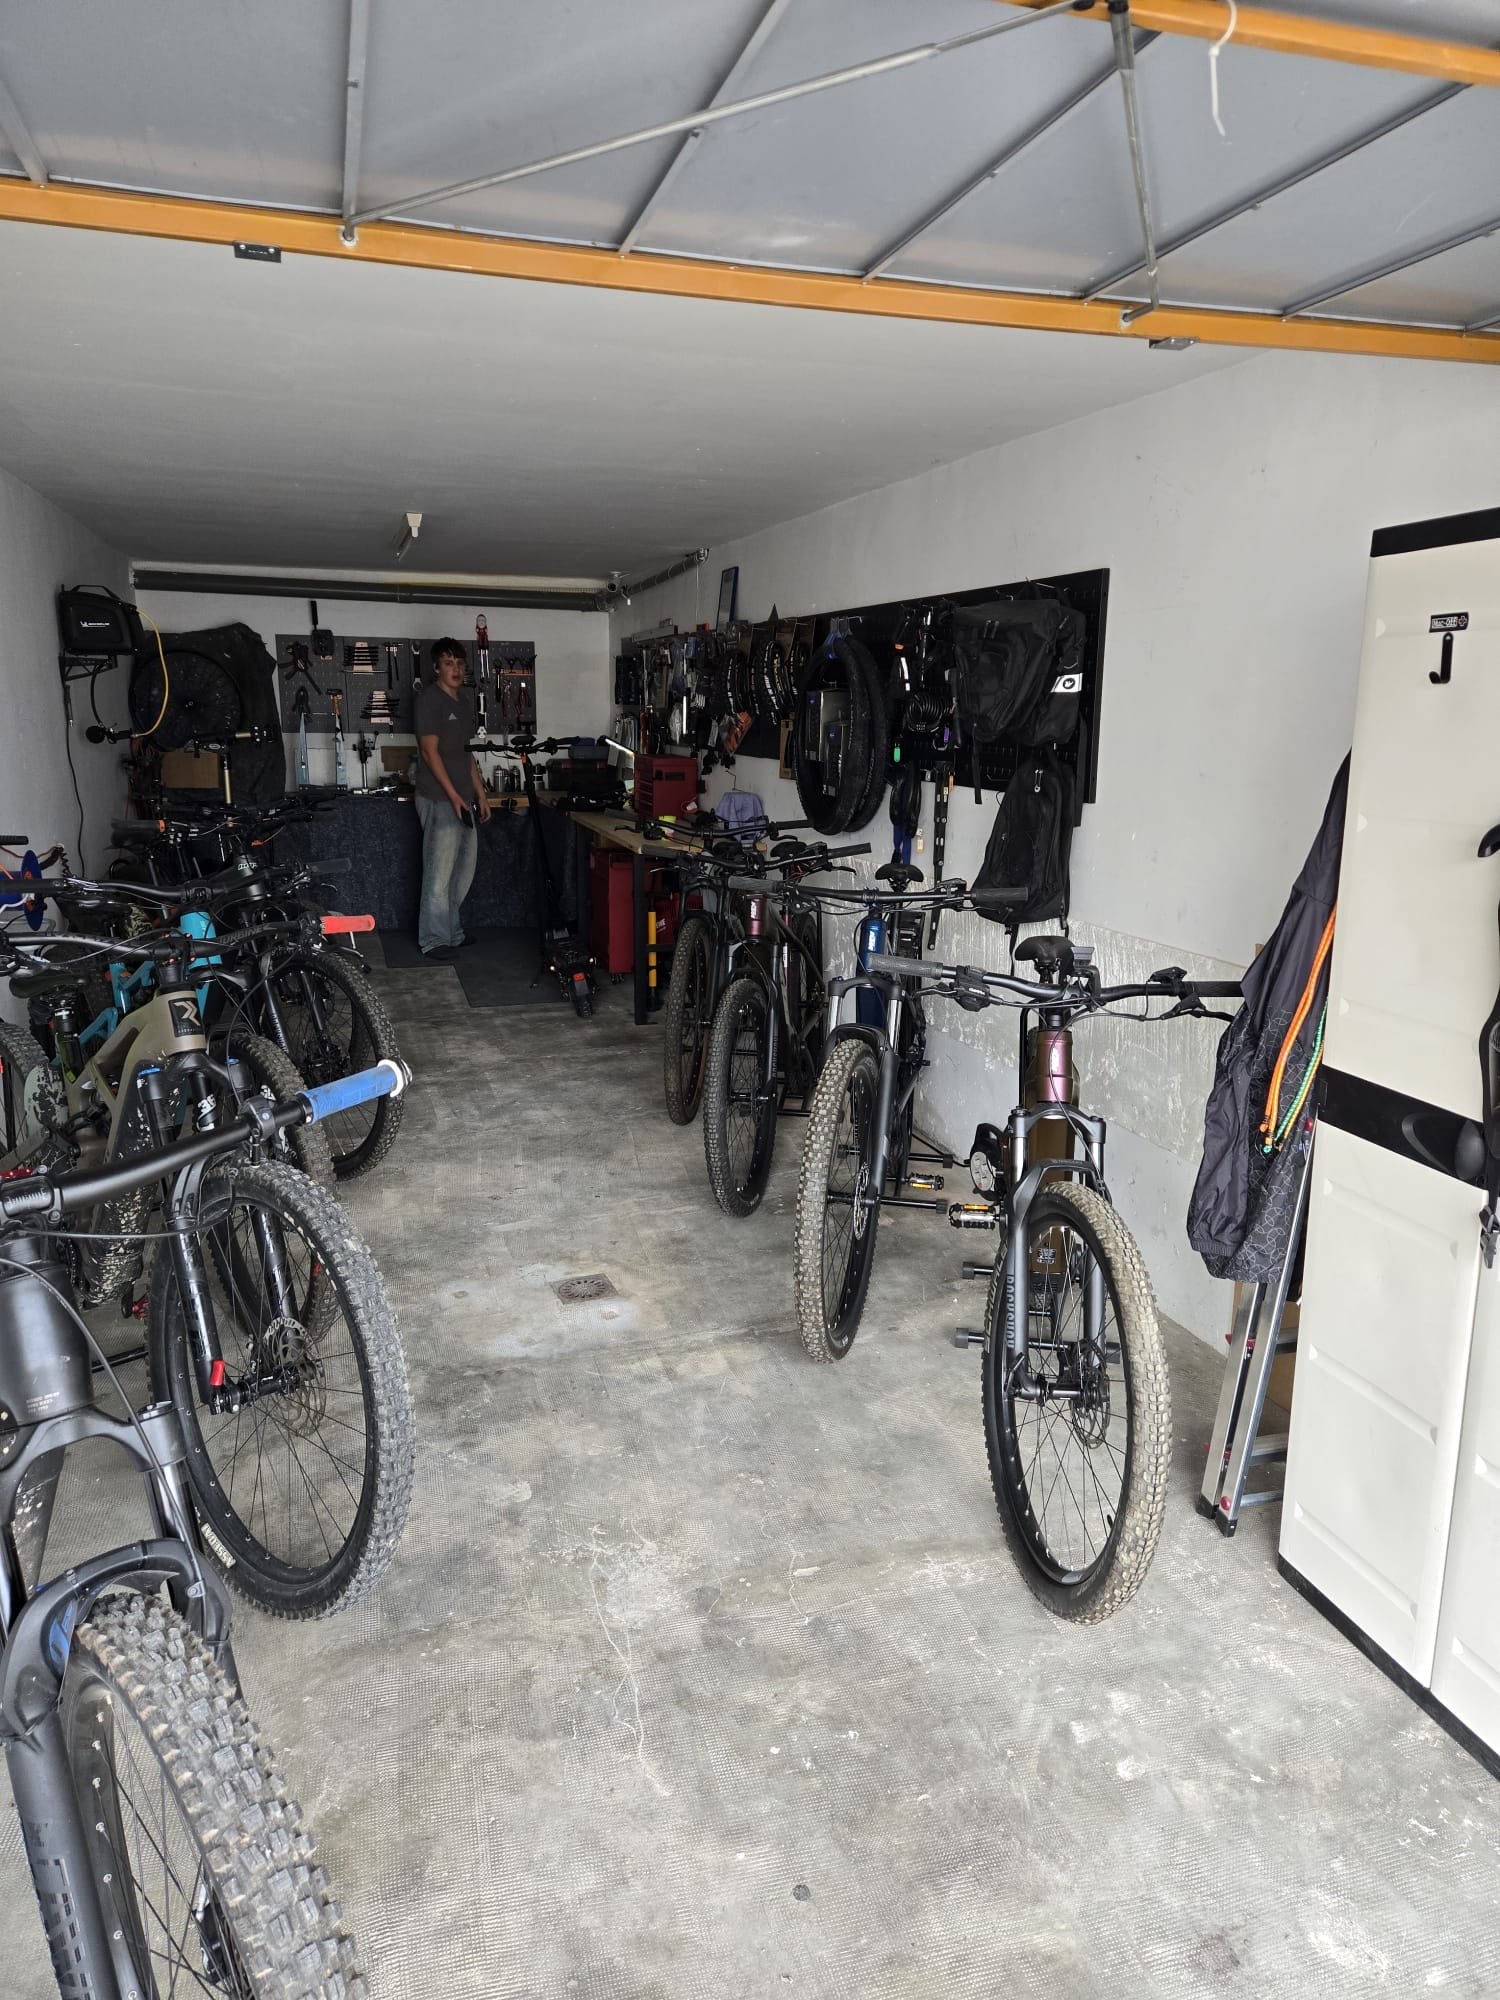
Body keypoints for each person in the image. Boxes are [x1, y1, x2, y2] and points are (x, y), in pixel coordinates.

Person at [413, 637, 491, 959]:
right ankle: (433, 939)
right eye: (448, 663)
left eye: (459, 663)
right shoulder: (429, 701)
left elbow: (466, 755)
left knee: (462, 871)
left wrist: (480, 794)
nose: (456, 669)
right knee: (439, 874)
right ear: (436, 668)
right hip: (438, 798)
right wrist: (453, 796)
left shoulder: (463, 702)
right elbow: (429, 754)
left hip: (461, 799)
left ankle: (453, 933)